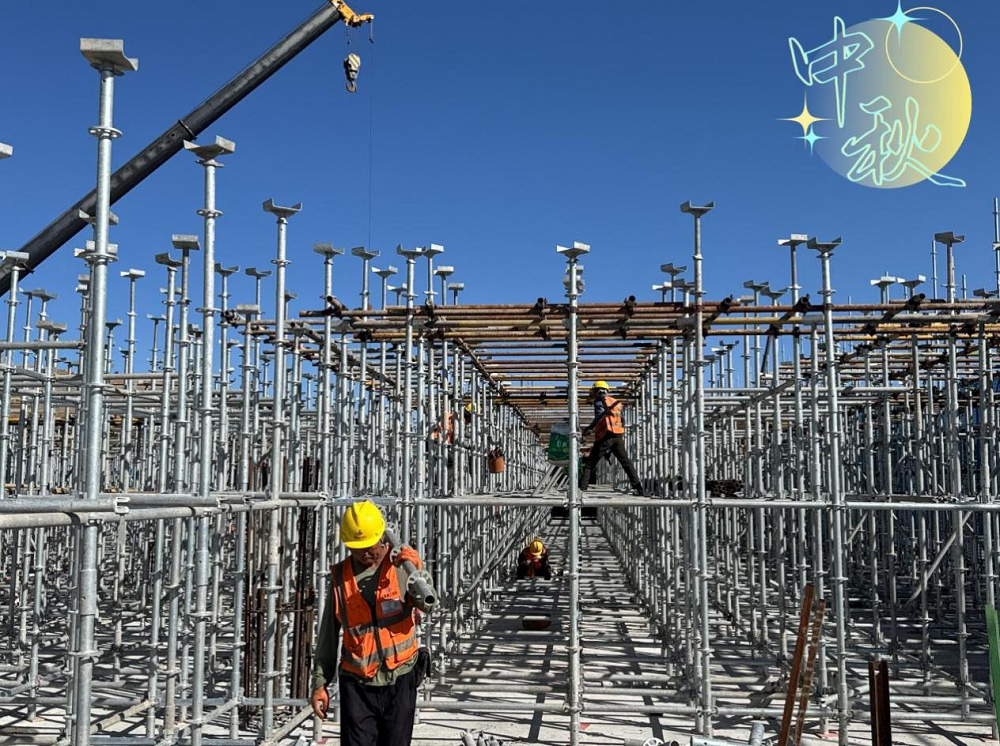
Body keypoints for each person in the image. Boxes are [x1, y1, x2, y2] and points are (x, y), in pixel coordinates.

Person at [310, 500, 431, 745]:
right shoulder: (341, 577)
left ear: (381, 538)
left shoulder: (401, 566)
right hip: (358, 684)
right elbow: (328, 634)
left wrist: (418, 572)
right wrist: (320, 683)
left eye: (369, 546)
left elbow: (429, 604)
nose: (364, 553)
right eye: (357, 548)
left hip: (400, 677)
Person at [579, 380, 645, 496]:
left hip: (605, 435)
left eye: (593, 392)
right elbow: (622, 420)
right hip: (617, 436)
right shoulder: (616, 402)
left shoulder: (599, 400)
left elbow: (600, 415)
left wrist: (590, 428)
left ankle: (581, 488)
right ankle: (639, 488)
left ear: (596, 391)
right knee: (626, 462)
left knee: (590, 463)